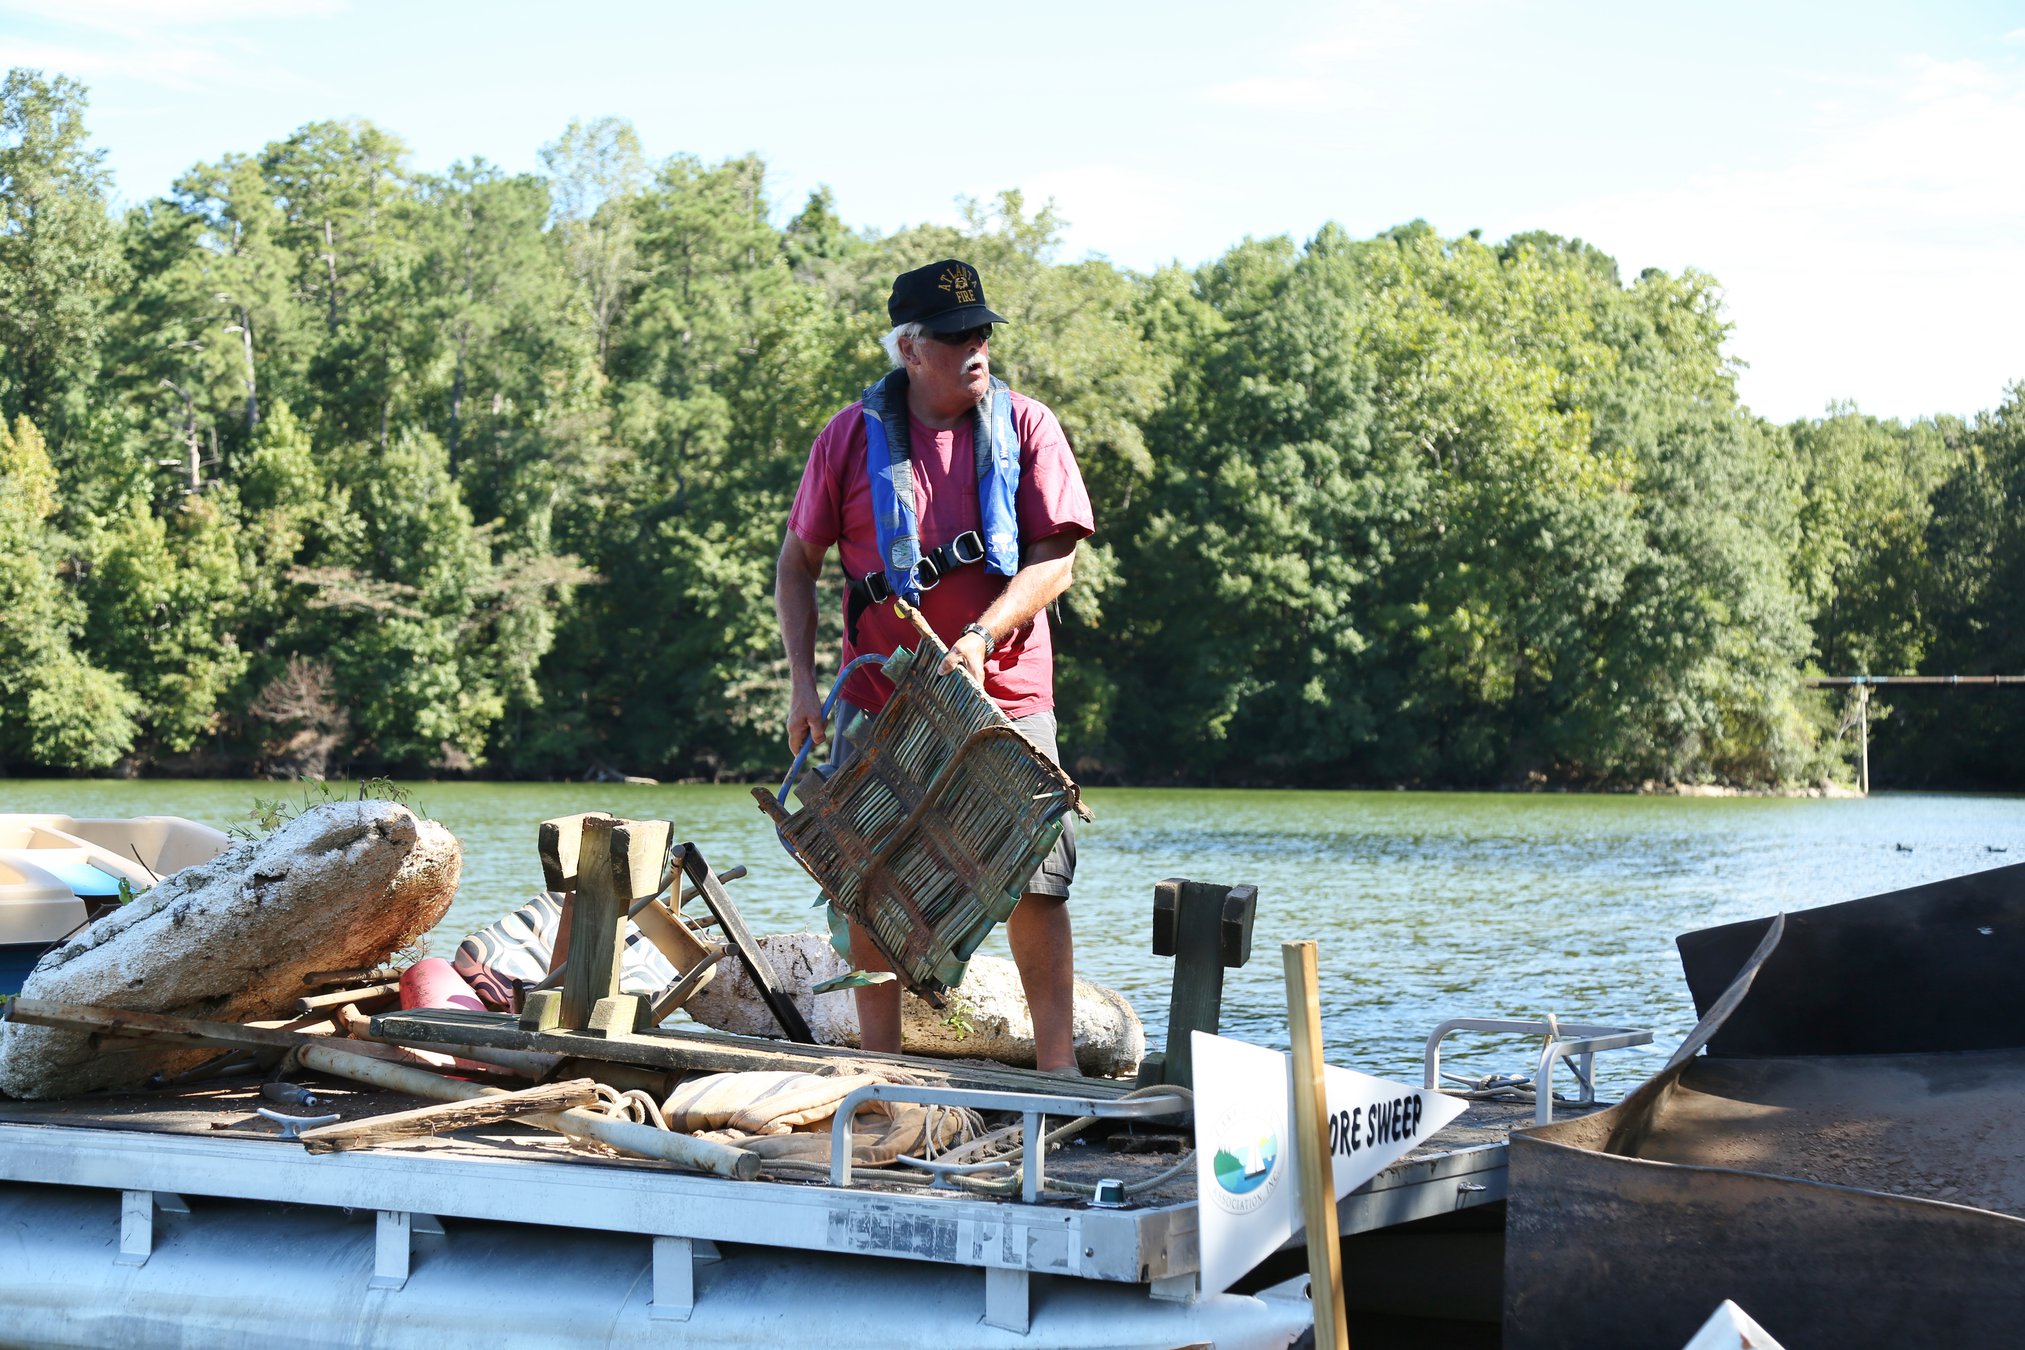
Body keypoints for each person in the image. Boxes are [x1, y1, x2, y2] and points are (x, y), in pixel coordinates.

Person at [774, 258, 1093, 1074]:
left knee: (1037, 875)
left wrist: (981, 638)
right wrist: (804, 686)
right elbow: (795, 565)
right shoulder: (848, 438)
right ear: (910, 349)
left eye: (981, 331)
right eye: (955, 337)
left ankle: (1056, 1076)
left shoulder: (1029, 427)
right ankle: (880, 1076)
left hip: (1004, 690)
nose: (974, 348)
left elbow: (1054, 564)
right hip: (879, 692)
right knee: (864, 881)